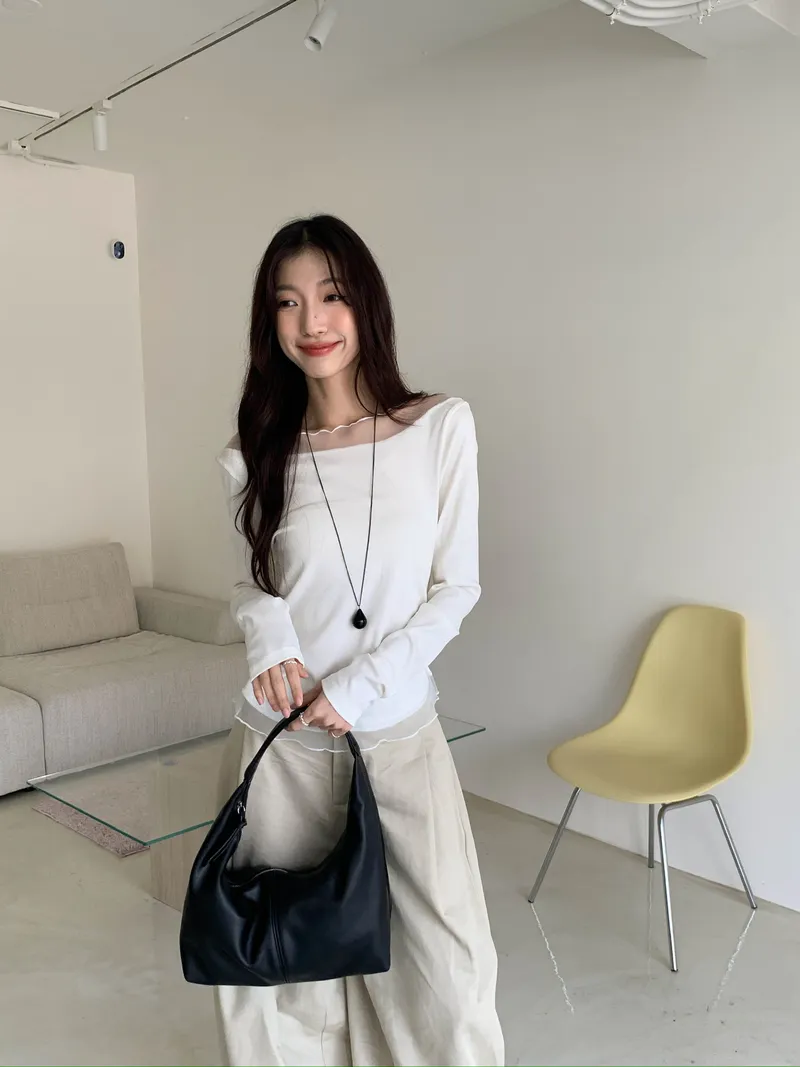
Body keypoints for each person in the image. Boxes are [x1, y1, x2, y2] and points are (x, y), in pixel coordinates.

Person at [214, 215, 504, 1067]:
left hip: (398, 734)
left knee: (447, 971)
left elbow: (457, 587)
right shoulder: (254, 454)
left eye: (332, 294)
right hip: (285, 747)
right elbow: (250, 580)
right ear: (269, 321)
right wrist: (269, 636)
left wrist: (361, 683)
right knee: (285, 979)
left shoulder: (439, 427)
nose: (311, 320)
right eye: (288, 301)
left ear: (365, 302)